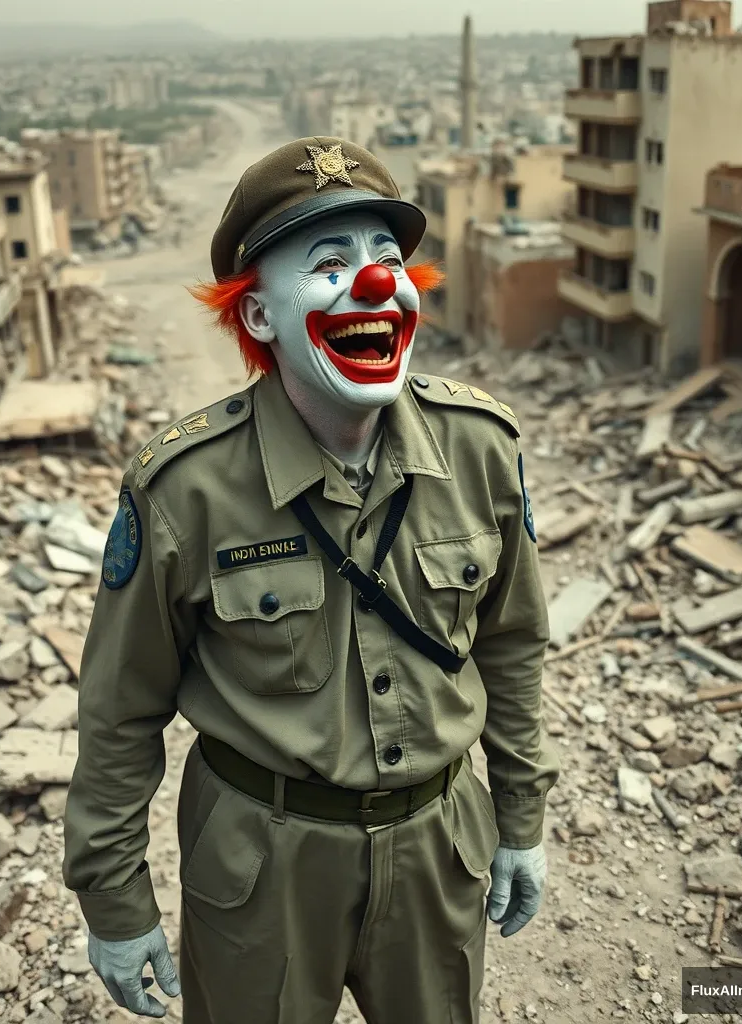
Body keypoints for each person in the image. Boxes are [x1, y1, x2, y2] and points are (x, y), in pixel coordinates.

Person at [63, 137, 558, 1024]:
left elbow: (513, 646)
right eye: (328, 266)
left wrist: (522, 815)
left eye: (385, 261)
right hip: (261, 861)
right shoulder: (184, 489)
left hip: (440, 845)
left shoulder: (482, 448)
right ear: (258, 319)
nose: (373, 285)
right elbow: (118, 710)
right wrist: (115, 903)